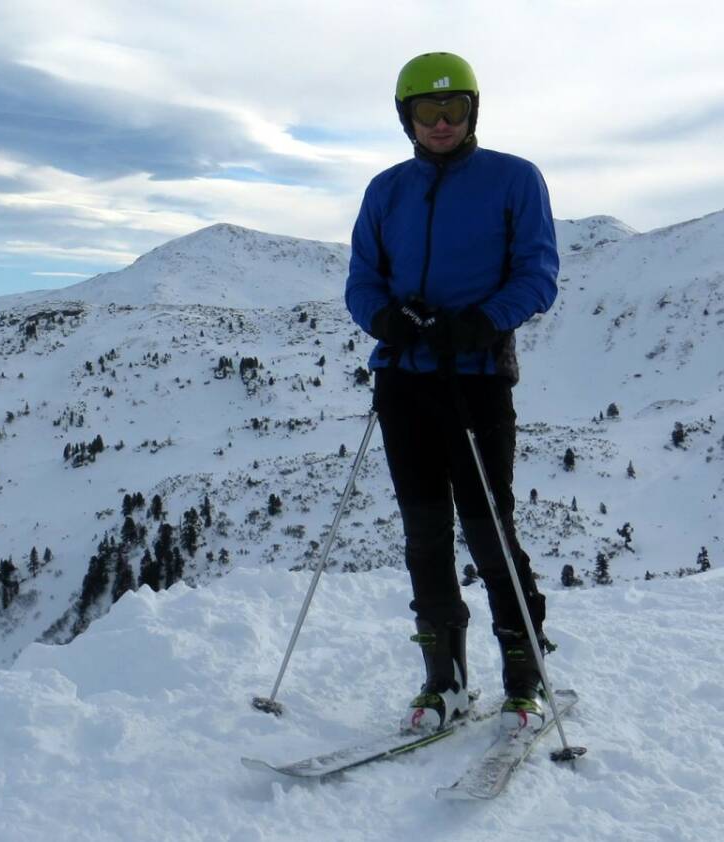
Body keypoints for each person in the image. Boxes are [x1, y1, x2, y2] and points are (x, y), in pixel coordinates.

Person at [344, 52, 559, 733]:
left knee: (491, 533)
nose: (440, 122)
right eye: (426, 110)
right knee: (424, 536)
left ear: (473, 112)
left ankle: (524, 681)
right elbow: (361, 279)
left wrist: (480, 323)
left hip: (477, 381)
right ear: (405, 117)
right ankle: (444, 683)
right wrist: (386, 319)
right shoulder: (386, 190)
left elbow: (538, 273)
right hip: (404, 380)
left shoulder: (513, 179)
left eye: (454, 109)